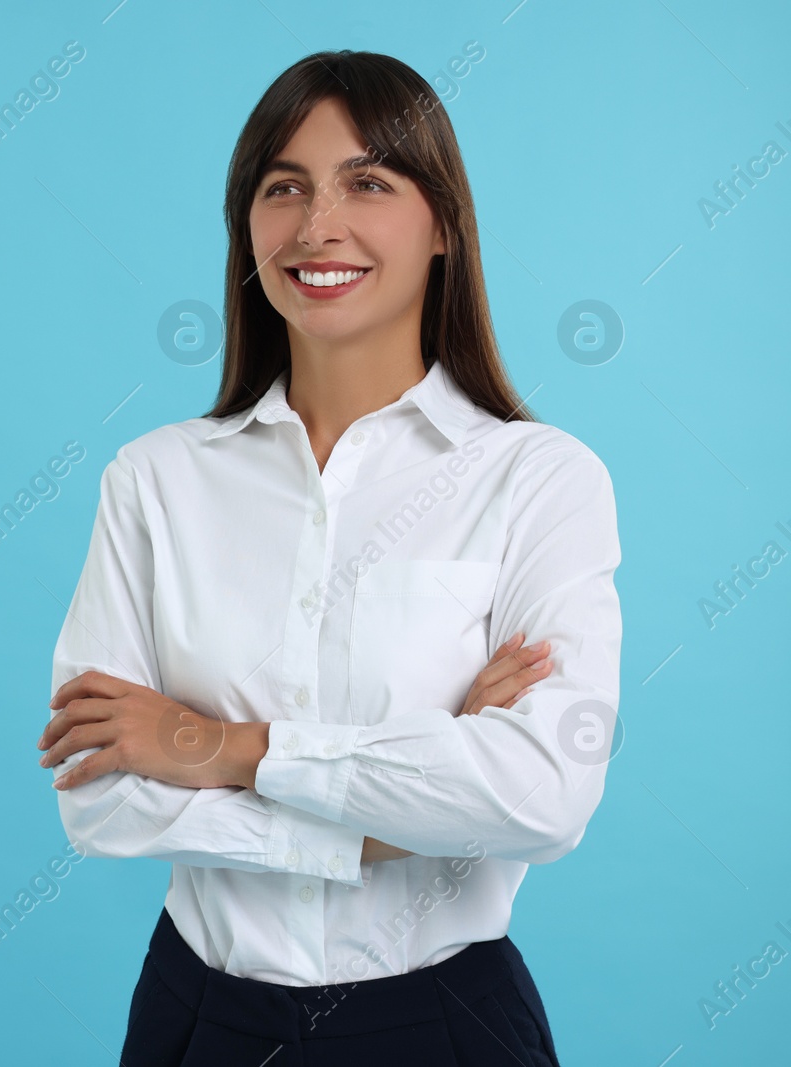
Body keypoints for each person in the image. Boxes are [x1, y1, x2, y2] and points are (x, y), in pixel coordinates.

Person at [35, 49, 620, 1066]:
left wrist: (222, 747)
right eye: (283, 187)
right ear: (246, 225)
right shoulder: (155, 478)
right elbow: (99, 792)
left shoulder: (537, 479)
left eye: (368, 182)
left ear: (442, 224)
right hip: (197, 1018)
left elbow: (539, 794)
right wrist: (411, 799)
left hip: (442, 1024)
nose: (317, 225)